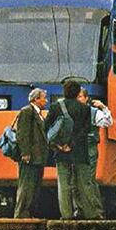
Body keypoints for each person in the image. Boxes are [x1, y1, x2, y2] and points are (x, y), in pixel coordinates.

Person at [45, 79, 103, 220]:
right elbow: (86, 130)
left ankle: (66, 215)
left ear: (64, 92)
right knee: (83, 183)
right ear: (77, 93)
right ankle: (90, 214)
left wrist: (59, 145)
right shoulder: (85, 109)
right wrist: (72, 144)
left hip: (60, 152)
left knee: (64, 184)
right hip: (80, 151)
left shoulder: (55, 107)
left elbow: (46, 128)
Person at [74, 86, 112, 218]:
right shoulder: (69, 110)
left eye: (80, 97)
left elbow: (108, 122)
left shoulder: (93, 112)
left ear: (86, 98)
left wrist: (103, 107)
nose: (77, 99)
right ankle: (80, 210)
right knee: (75, 180)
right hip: (75, 148)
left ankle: (96, 211)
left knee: (89, 179)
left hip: (89, 147)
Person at [13, 88, 49, 218]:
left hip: (38, 156)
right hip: (30, 156)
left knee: (34, 186)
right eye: (44, 98)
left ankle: (29, 213)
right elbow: (22, 134)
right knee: (26, 185)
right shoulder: (27, 112)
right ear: (36, 99)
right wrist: (25, 153)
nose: (46, 100)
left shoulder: (38, 113)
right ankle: (21, 213)